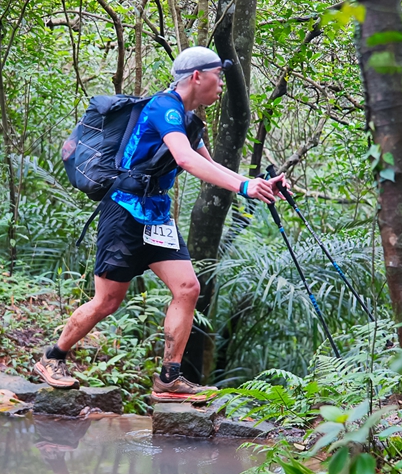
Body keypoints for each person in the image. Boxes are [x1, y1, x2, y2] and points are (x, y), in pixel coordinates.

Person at [35, 46, 286, 401]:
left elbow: (209, 167)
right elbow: (184, 160)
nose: (221, 84)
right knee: (107, 301)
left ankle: (169, 378)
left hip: (156, 216)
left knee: (188, 288)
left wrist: (256, 183)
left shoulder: (188, 119)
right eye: (218, 75)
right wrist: (245, 186)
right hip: (123, 213)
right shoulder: (162, 107)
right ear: (197, 77)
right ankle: (52, 358)